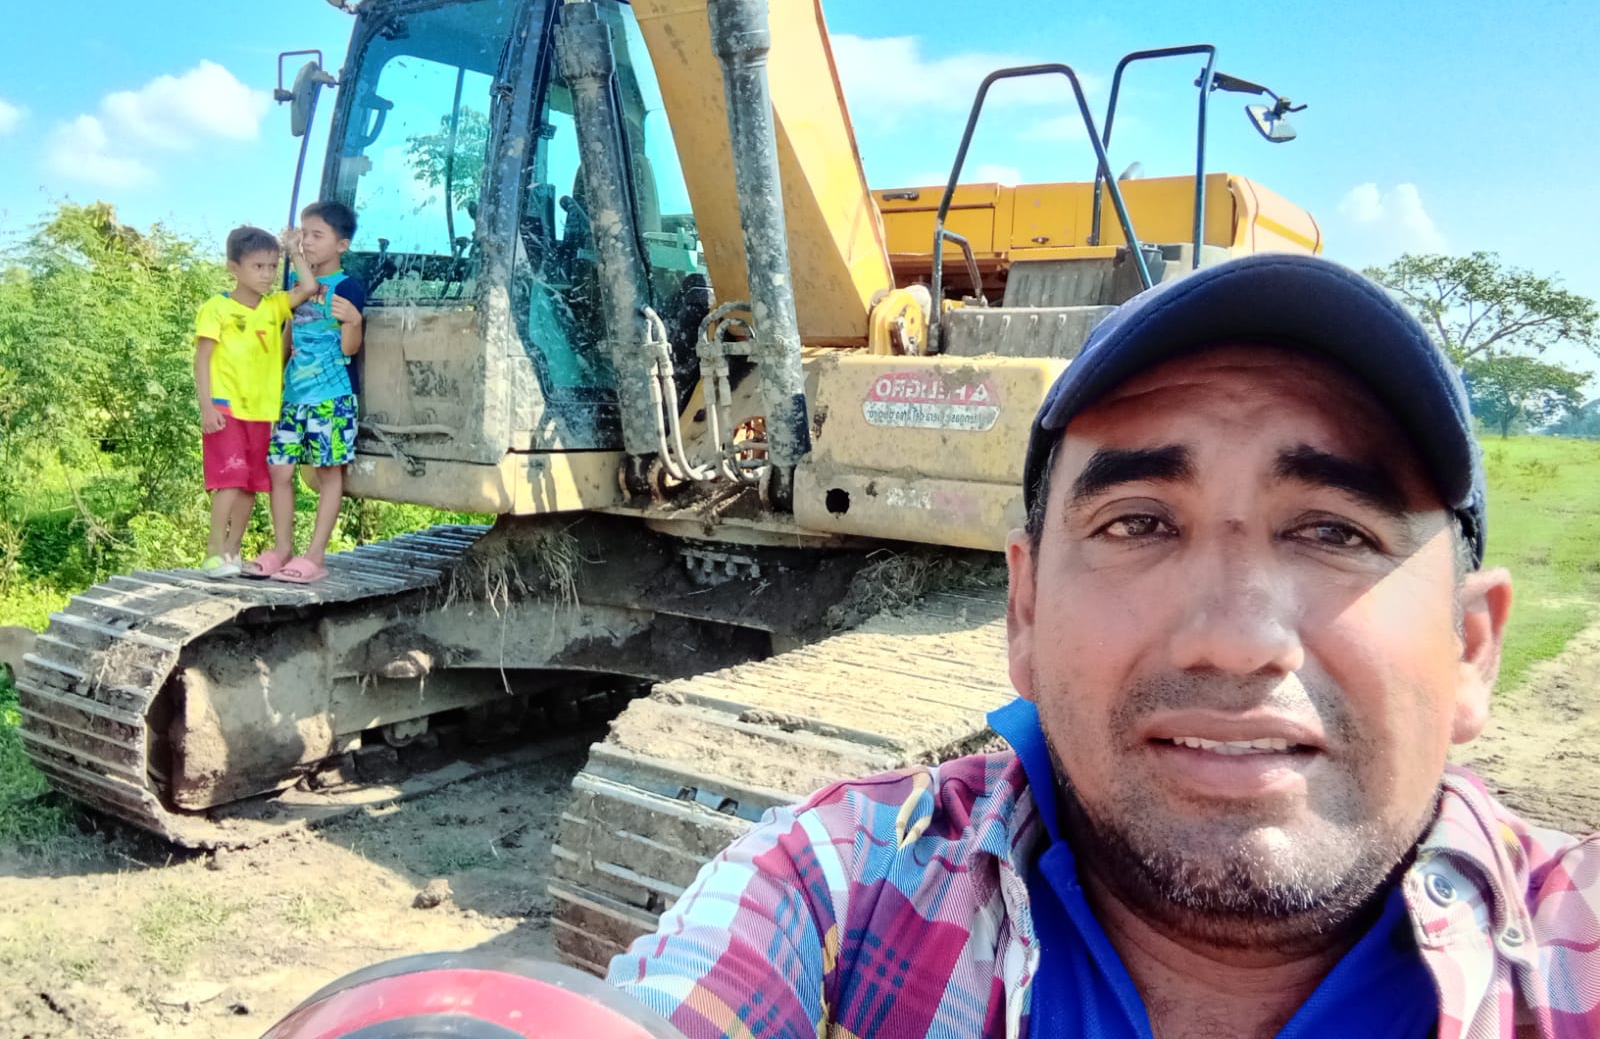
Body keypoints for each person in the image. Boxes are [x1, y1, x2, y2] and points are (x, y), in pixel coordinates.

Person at [607, 255, 1599, 1038]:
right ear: (1024, 611)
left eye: (1334, 531)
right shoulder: (837, 888)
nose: (1235, 642)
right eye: (1138, 523)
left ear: (1471, 648)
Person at [244, 201, 367, 584]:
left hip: (332, 396)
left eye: (317, 235)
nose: (308, 242)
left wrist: (355, 321)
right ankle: (282, 549)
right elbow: (288, 333)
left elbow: (349, 349)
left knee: (329, 472)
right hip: (292, 396)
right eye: (304, 234)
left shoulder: (347, 287)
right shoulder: (297, 285)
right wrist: (273, 376)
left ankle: (315, 557)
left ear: (341, 245)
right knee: (279, 469)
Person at [193, 225, 318, 578]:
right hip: (226, 407)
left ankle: (232, 551)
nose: (266, 274)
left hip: (262, 412)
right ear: (234, 267)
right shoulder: (217, 308)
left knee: (250, 483)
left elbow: (309, 287)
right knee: (230, 479)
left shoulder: (274, 306)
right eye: (257, 266)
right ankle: (213, 552)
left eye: (271, 266)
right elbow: (202, 359)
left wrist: (294, 250)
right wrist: (207, 406)